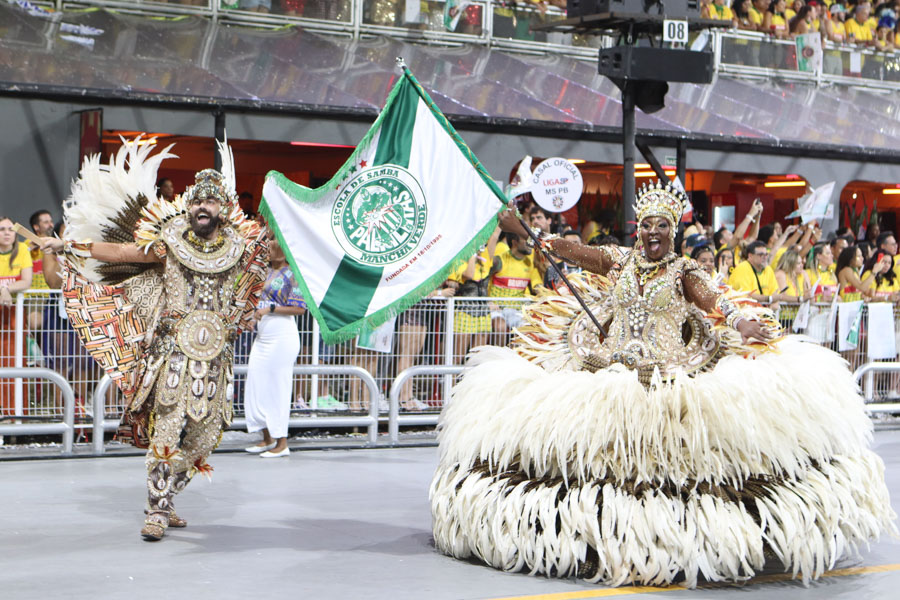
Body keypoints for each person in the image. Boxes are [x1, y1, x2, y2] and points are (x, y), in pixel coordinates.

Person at [430, 181, 895, 587]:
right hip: (611, 369)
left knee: (674, 448)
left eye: (662, 228)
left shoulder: (683, 271)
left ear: (671, 233)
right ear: (639, 228)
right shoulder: (619, 260)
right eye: (647, 226)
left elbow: (714, 300)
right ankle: (598, 534)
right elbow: (570, 250)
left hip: (670, 372)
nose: (653, 234)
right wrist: (526, 231)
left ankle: (682, 536)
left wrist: (741, 321)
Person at [40, 144, 268, 542]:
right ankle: (157, 509)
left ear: (224, 208)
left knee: (202, 441)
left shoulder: (239, 249)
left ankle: (168, 495)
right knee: (167, 429)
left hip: (216, 357)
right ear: (189, 206)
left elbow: (262, 274)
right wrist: (69, 246)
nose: (203, 206)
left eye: (212, 201)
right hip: (172, 355)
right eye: (198, 200)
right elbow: (124, 252)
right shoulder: (170, 243)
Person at [244, 234, 307, 458]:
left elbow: (299, 309)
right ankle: (267, 438)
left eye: (274, 241)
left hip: (282, 336)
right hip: (263, 336)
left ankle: (282, 443)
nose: (269, 246)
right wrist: (254, 317)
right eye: (268, 241)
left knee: (278, 388)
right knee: (255, 384)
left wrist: (269, 310)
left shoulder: (294, 274)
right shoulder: (264, 271)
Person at [0, 216, 33, 413]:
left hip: (13, 315)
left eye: (10, 229)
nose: (6, 232)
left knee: (14, 361)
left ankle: (14, 413)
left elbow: (26, 281)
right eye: (2, 229)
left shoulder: (22, 250)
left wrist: (6, 290)